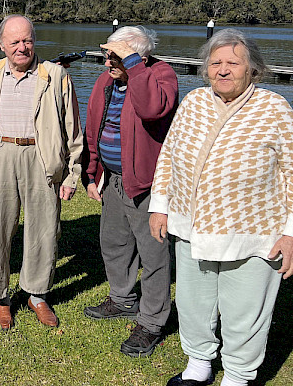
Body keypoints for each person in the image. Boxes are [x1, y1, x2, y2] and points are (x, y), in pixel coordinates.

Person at [149, 29, 293, 386]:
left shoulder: (274, 108)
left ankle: (238, 376)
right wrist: (160, 205)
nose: (223, 70)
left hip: (252, 231)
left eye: (233, 62)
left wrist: (290, 233)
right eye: (216, 63)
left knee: (244, 310)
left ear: (253, 70)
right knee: (192, 300)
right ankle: (198, 364)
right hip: (191, 224)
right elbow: (169, 154)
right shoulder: (194, 102)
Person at [0, 14, 82, 330]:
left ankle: (37, 294)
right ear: (1, 45)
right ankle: (0, 298)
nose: (22, 47)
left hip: (42, 158)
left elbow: (73, 129)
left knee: (43, 229)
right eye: (14, 42)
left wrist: (72, 173)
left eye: (27, 40)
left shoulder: (56, 75)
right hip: (2, 153)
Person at [81, 26, 178, 357]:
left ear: (139, 56)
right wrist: (93, 172)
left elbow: (152, 109)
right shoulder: (107, 80)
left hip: (147, 183)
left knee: (153, 256)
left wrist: (133, 65)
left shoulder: (160, 74)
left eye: (115, 55)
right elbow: (94, 127)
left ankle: (151, 322)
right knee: (114, 244)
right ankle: (122, 300)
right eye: (107, 54)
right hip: (114, 179)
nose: (107, 61)